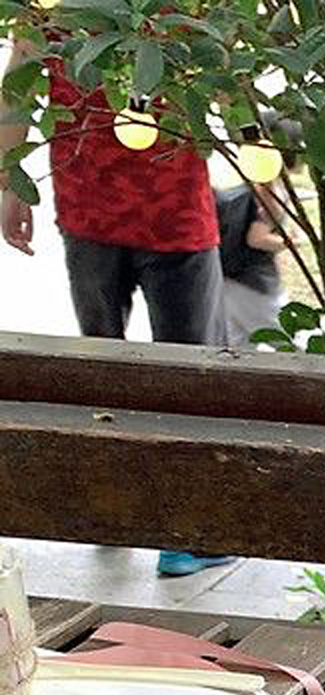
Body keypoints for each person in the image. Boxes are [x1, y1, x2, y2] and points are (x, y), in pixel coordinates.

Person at [0, 27, 232, 579]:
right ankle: (185, 535)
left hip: (91, 209)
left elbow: (16, 89)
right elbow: (227, 82)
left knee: (105, 369)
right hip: (170, 212)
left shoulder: (49, 10)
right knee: (192, 376)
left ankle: (114, 514)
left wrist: (10, 184)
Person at [213, 180, 287, 347]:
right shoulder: (268, 192)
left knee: (237, 345)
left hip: (228, 277)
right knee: (290, 341)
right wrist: (289, 242)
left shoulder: (241, 190)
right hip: (254, 283)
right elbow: (257, 239)